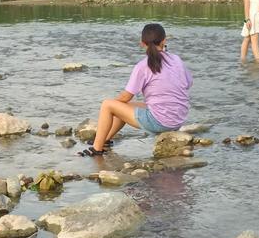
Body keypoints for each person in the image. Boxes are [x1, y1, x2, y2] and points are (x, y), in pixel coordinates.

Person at [78, 23, 193, 157]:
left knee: (107, 105)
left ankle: (96, 149)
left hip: (161, 121)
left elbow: (126, 97)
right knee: (122, 107)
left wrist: (114, 106)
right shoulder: (176, 60)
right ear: (164, 41)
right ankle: (105, 139)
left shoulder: (143, 66)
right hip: (178, 119)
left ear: (142, 43)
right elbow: (188, 83)